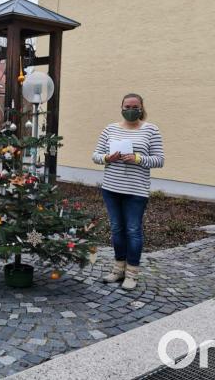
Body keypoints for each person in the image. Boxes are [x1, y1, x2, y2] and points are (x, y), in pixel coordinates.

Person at [92, 93, 165, 290]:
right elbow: (95, 155)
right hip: (111, 188)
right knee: (116, 229)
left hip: (136, 190)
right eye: (127, 106)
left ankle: (132, 273)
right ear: (121, 107)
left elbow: (159, 160)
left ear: (141, 108)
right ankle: (118, 269)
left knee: (133, 230)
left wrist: (138, 159)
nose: (130, 110)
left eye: (135, 106)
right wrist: (108, 157)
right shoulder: (110, 129)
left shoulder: (151, 130)